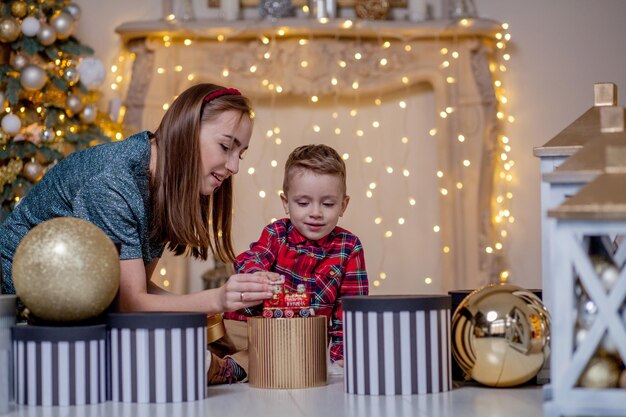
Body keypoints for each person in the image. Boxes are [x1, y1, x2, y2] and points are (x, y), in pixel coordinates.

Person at [0, 83, 279, 321]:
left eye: (240, 154)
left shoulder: (160, 183)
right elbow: (130, 305)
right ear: (187, 130)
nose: (234, 167)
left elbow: (137, 289)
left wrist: (214, 309)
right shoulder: (114, 182)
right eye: (225, 146)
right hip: (16, 309)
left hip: (65, 306)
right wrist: (217, 299)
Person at [213, 144, 369, 380]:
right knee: (213, 337)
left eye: (327, 204)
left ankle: (227, 370)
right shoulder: (277, 234)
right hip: (247, 326)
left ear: (343, 205)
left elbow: (350, 309)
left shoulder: (349, 247)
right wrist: (257, 274)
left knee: (276, 351)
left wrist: (341, 355)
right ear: (286, 203)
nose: (315, 212)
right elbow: (251, 259)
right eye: (303, 203)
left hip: (296, 339)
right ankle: (200, 362)